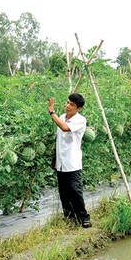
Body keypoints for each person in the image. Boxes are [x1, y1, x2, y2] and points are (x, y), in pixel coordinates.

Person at [47, 93, 92, 228]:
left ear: (78, 108)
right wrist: (55, 158)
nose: (67, 106)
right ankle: (70, 218)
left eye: (71, 104)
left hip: (72, 162)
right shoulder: (62, 117)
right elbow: (59, 137)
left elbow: (65, 128)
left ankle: (84, 218)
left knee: (75, 190)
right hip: (61, 162)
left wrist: (51, 112)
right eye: (67, 102)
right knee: (64, 193)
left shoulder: (80, 120)